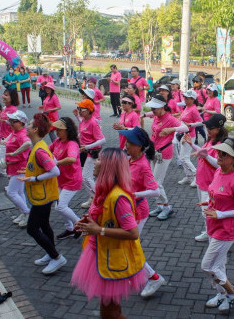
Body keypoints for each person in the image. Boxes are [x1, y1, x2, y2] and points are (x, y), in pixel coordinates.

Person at [71, 148, 147, 318]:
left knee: (110, 313)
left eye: (98, 159)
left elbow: (133, 232)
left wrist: (99, 230)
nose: (95, 162)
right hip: (101, 254)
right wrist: (89, 222)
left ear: (108, 167)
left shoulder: (118, 197)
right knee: (110, 310)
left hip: (112, 258)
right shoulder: (104, 191)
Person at [201, 138, 234, 313]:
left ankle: (232, 293)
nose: (219, 155)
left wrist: (221, 213)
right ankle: (222, 293)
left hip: (226, 230)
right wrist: (209, 202)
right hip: (212, 225)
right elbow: (216, 193)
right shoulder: (219, 171)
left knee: (208, 266)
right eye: (219, 152)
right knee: (219, 265)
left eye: (225, 154)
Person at [116, 127, 166, 298]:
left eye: (130, 143)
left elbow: (155, 191)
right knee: (128, 247)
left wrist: (135, 194)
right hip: (128, 210)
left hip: (139, 211)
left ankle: (154, 277)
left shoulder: (143, 165)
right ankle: (135, 274)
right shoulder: (130, 160)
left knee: (130, 247)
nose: (127, 145)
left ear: (139, 146)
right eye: (127, 142)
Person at [18, 113, 66, 275]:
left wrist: (33, 178)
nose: (27, 127)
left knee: (32, 229)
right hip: (44, 195)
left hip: (43, 197)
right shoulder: (38, 146)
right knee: (44, 225)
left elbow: (55, 170)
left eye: (29, 125)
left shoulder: (39, 150)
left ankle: (56, 257)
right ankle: (51, 252)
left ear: (36, 129)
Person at [144, 95, 188, 220]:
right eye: (152, 108)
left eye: (155, 108)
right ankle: (160, 205)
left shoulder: (169, 118)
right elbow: (149, 115)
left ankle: (167, 207)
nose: (153, 110)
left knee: (156, 183)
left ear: (162, 107)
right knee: (153, 181)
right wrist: (143, 115)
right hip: (154, 151)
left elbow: (185, 127)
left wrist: (171, 129)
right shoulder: (157, 116)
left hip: (164, 153)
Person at [184, 114, 228, 242]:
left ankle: (214, 235)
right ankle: (208, 232)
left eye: (211, 128)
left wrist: (206, 156)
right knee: (205, 211)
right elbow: (203, 152)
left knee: (207, 212)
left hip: (210, 184)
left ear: (219, 129)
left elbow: (218, 163)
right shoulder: (210, 140)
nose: (208, 130)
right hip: (201, 181)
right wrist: (192, 144)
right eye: (207, 127)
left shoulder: (221, 144)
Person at [49, 117, 83, 240]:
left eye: (60, 129)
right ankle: (70, 229)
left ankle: (79, 224)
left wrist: (56, 163)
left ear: (67, 130)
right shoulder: (58, 141)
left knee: (60, 206)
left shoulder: (72, 144)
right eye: (56, 129)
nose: (57, 131)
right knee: (59, 205)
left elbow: (72, 159)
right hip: (62, 179)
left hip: (72, 179)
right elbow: (47, 150)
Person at [72, 99, 106, 209]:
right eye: (79, 108)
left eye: (82, 109)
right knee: (88, 177)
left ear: (89, 110)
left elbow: (102, 140)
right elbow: (82, 130)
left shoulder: (93, 122)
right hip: (86, 152)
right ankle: (94, 198)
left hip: (93, 153)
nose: (80, 110)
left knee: (86, 177)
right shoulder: (84, 120)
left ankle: (98, 198)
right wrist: (77, 117)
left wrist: (87, 147)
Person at [4, 111, 31, 228]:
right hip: (13, 166)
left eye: (13, 121)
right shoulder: (15, 132)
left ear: (21, 122)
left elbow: (28, 143)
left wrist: (15, 153)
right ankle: (23, 213)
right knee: (19, 192)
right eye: (10, 121)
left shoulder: (21, 134)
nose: (11, 123)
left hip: (19, 167)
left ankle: (27, 213)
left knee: (11, 192)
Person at [175, 90, 203, 187]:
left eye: (187, 98)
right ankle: (189, 176)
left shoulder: (193, 109)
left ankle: (197, 176)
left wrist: (191, 124)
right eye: (185, 98)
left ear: (192, 99)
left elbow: (201, 122)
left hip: (190, 135)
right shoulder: (187, 107)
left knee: (184, 158)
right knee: (182, 158)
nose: (185, 100)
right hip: (184, 134)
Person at [192, 76, 207, 145]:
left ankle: (205, 137)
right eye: (194, 82)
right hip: (194, 110)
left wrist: (202, 107)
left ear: (200, 83)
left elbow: (208, 100)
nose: (195, 83)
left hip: (200, 111)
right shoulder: (193, 90)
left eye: (196, 82)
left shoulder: (203, 91)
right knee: (194, 126)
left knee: (199, 126)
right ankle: (196, 139)